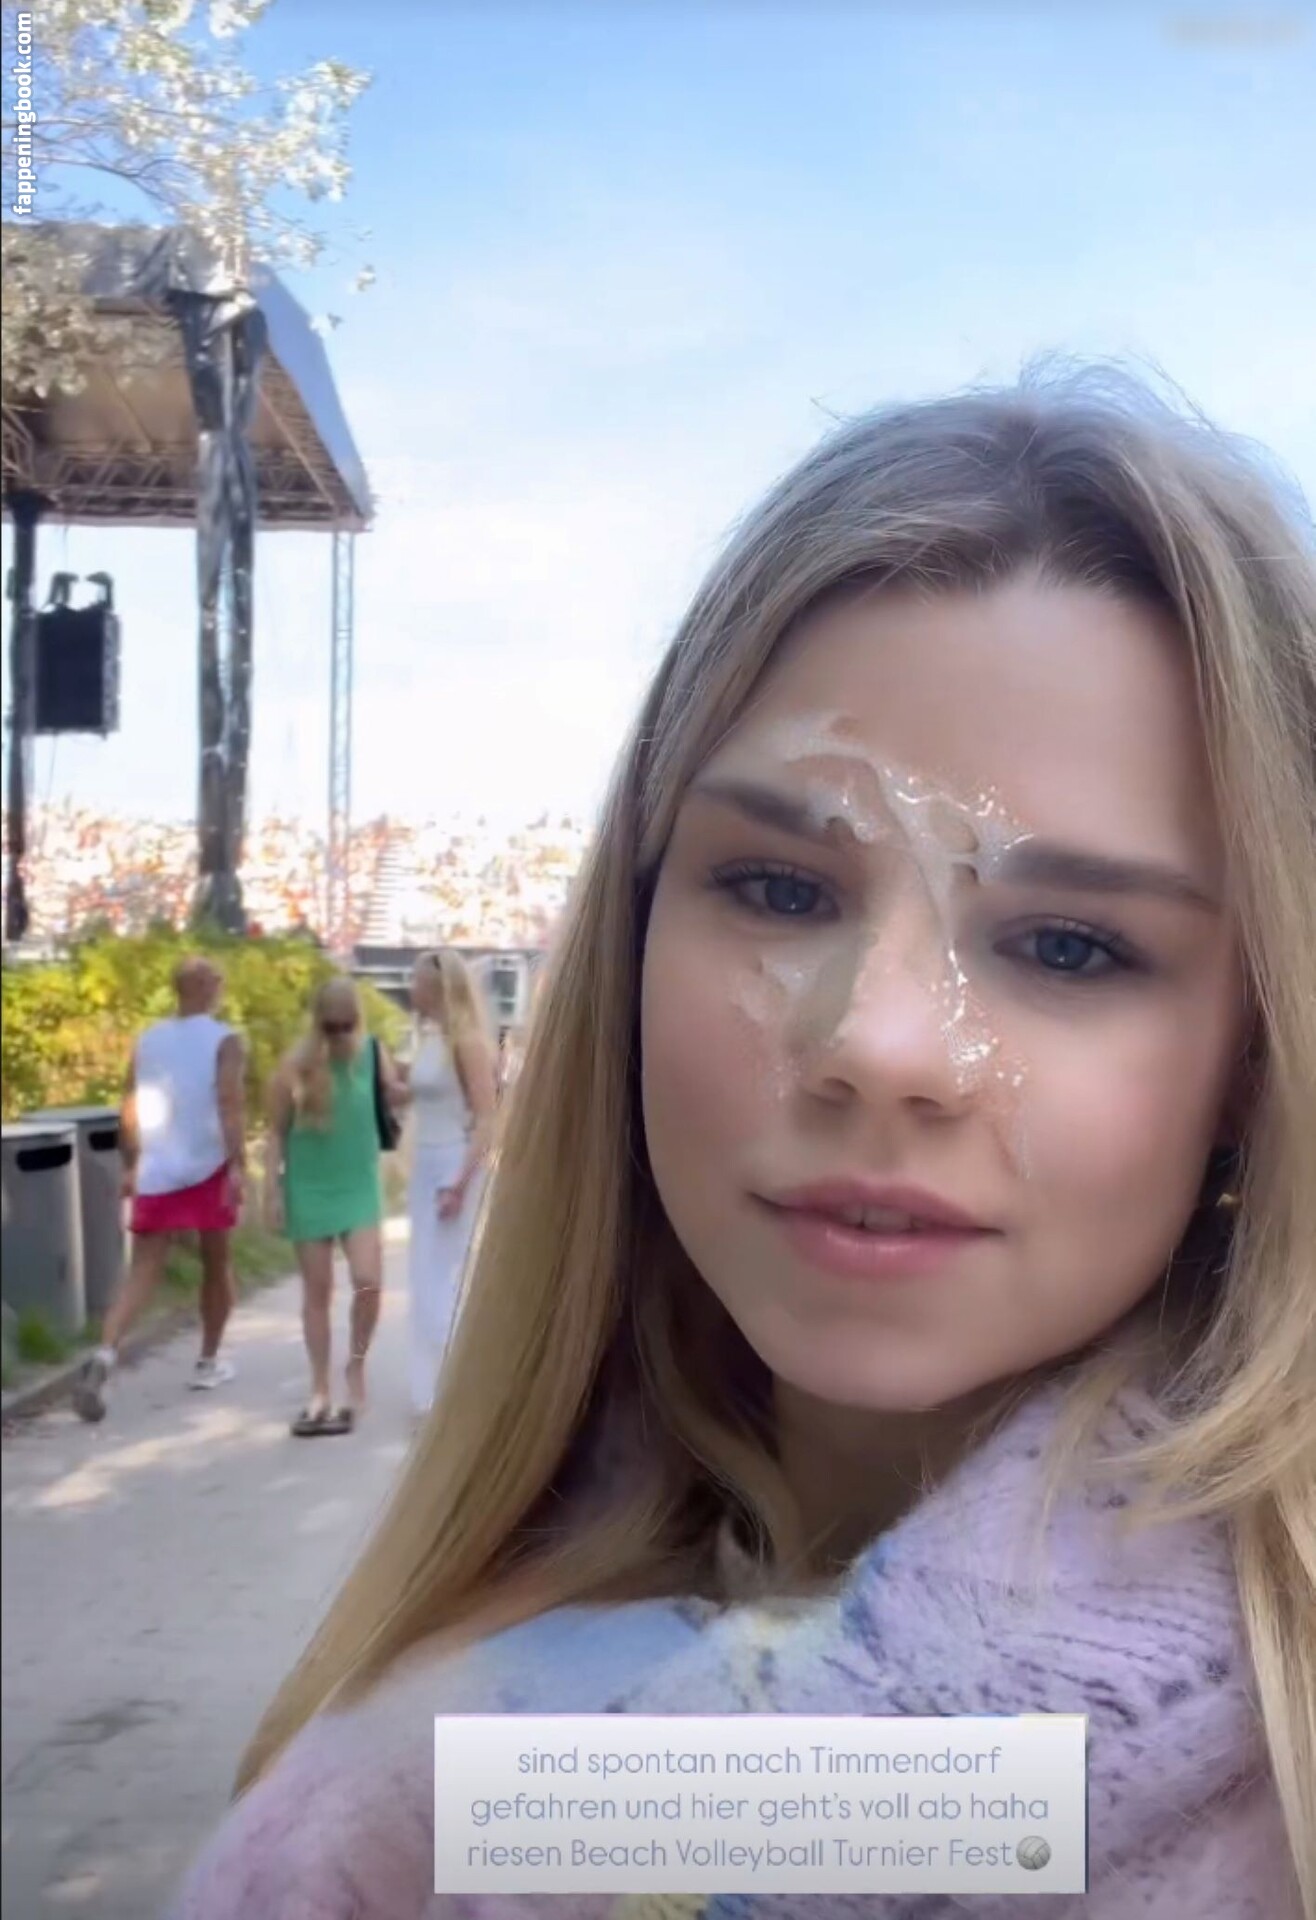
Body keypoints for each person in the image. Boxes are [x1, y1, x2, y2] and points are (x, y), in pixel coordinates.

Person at [172, 366, 1315, 1919]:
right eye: (780, 891)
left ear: (1259, 1055)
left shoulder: (417, 1816)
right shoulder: (391, 1809)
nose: (879, 1043)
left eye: (1070, 946)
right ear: (633, 944)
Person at [73, 955, 244, 1423]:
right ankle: (208, 1362)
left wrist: (133, 1163)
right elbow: (229, 1104)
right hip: (208, 1165)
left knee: (142, 1271)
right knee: (217, 1264)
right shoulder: (225, 1040)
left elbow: (129, 1105)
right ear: (207, 988)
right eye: (217, 980)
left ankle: (105, 1353)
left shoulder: (149, 1039)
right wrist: (238, 1165)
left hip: (158, 1167)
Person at [266, 976, 399, 1437]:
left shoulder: (374, 1053)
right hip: (309, 1185)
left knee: (368, 1281)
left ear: (357, 1020)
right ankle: (319, 1388)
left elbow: (395, 1096)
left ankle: (355, 1366)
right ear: (318, 1022)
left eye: (347, 1025)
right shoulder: (295, 1065)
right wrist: (272, 1191)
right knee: (317, 1291)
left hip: (358, 1184)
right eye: (331, 1026)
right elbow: (275, 1133)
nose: (340, 1035)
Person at [397, 949, 498, 1418]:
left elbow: (487, 1118)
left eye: (417, 982)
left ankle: (456, 1390)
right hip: (426, 1164)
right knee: (423, 1274)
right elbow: (421, 1097)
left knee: (443, 1275)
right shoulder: (430, 1039)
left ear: (436, 987)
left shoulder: (467, 1042)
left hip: (453, 1164)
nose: (410, 989)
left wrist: (459, 1182)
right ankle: (430, 1390)